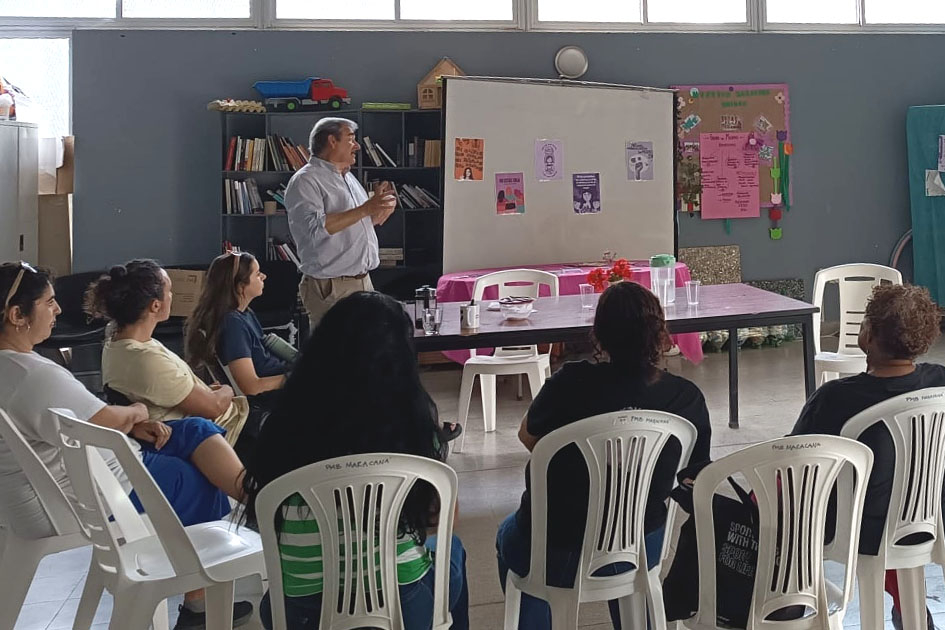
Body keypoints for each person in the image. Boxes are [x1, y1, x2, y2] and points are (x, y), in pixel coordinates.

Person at [0, 262, 252, 628]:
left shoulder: (15, 368)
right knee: (200, 476)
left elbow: (86, 420)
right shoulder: (32, 375)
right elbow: (103, 418)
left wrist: (133, 424)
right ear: (17, 315)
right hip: (96, 490)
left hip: (60, 485)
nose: (57, 310)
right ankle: (202, 597)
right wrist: (134, 412)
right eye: (49, 303)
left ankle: (255, 499)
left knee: (194, 429)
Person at [242, 292, 469, 630]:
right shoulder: (414, 426)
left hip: (300, 614)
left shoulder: (282, 424)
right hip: (403, 610)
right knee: (454, 549)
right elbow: (440, 517)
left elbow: (264, 512)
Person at [496, 281, 712, 630]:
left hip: (557, 551)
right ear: (659, 334)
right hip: (641, 548)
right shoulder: (685, 398)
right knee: (625, 557)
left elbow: (529, 437)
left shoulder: (569, 383)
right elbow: (695, 472)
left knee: (509, 536)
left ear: (599, 335)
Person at [791, 283, 943, 630]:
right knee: (888, 498)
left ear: (868, 335)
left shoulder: (834, 398)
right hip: (928, 515)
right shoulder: (940, 382)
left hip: (855, 526)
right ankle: (911, 610)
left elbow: (798, 467)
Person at [86, 260, 253, 454]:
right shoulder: (146, 360)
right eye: (170, 291)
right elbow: (214, 408)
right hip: (221, 430)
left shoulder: (115, 337)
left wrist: (206, 392)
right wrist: (226, 390)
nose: (172, 296)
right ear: (155, 306)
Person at [284, 117, 397, 329]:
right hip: (332, 286)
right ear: (332, 141)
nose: (357, 146)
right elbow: (315, 229)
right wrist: (365, 209)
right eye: (351, 139)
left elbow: (352, 225)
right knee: (337, 356)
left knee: (365, 354)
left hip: (362, 281)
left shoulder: (348, 178)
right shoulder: (306, 180)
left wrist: (378, 211)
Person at [185, 251, 287, 398]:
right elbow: (251, 387)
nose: (264, 276)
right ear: (240, 287)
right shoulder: (232, 325)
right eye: (257, 274)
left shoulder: (245, 314)